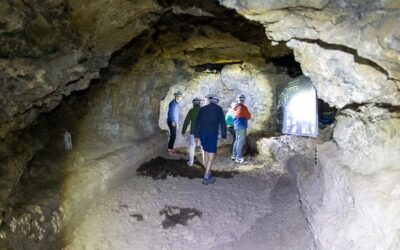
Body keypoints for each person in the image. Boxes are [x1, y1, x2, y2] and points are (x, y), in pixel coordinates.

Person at [195, 95, 227, 185]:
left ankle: (207, 170)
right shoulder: (219, 109)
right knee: (211, 154)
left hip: (202, 134)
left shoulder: (203, 108)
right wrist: (224, 136)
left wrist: (197, 135)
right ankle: (206, 176)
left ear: (210, 101)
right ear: (217, 102)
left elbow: (197, 122)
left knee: (205, 151)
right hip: (212, 134)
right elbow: (222, 123)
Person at [181, 97, 201, 167]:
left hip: (193, 132)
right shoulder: (203, 110)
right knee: (203, 148)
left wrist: (183, 130)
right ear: (199, 103)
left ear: (193, 104)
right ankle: (205, 163)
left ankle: (191, 162)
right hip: (202, 132)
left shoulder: (191, 111)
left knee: (192, 147)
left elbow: (186, 121)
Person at [232, 94, 251, 163]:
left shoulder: (235, 107)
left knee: (237, 141)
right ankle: (239, 158)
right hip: (241, 126)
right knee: (241, 141)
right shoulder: (243, 107)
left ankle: (234, 155)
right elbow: (248, 116)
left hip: (236, 126)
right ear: (243, 100)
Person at [167, 90, 183, 155]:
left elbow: (174, 113)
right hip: (172, 122)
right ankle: (170, 150)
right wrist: (174, 122)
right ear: (177, 96)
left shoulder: (174, 103)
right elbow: (172, 113)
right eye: (181, 96)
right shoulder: (174, 104)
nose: (181, 98)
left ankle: (170, 148)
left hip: (172, 121)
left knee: (173, 136)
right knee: (173, 136)